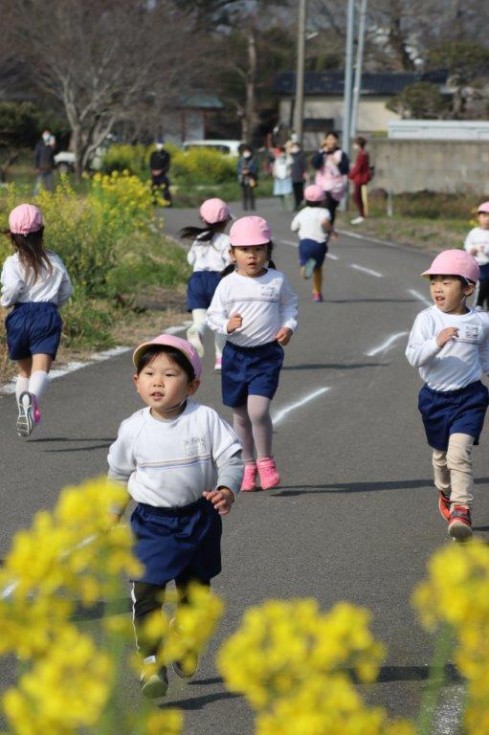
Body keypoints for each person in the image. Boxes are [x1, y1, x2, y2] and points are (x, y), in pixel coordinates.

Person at [107, 333, 243, 698]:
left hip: (199, 519)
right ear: (136, 382)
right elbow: (119, 475)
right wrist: (110, 513)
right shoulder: (133, 429)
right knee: (146, 594)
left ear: (193, 384)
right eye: (149, 374)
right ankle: (151, 664)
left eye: (170, 375)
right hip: (151, 524)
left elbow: (231, 458)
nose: (158, 382)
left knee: (195, 594)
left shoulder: (204, 419)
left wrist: (228, 488)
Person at [207, 216, 298, 492]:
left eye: (258, 249)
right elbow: (213, 316)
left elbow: (289, 307)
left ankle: (266, 462)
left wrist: (288, 327)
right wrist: (226, 325)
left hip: (266, 355)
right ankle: (247, 465)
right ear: (232, 254)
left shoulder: (277, 280)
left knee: (257, 411)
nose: (252, 256)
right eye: (245, 250)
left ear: (268, 252)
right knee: (240, 416)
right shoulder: (227, 284)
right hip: (235, 355)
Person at [405, 249, 489, 541]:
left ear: (468, 288)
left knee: (458, 454)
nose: (438, 288)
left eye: (446, 282)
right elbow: (414, 357)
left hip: (470, 398)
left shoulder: (481, 322)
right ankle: (445, 490)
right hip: (434, 400)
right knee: (441, 458)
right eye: (434, 282)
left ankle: (461, 507)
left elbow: (484, 353)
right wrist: (436, 343)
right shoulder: (427, 320)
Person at [1, 203, 73, 437]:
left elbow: (12, 287)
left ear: (12, 236)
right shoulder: (53, 260)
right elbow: (66, 289)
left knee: (24, 372)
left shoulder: (12, 262)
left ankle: (26, 411)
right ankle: (31, 401)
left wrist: (5, 302)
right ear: (41, 232)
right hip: (46, 315)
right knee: (41, 367)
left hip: (19, 315)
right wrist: (55, 304)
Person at [179, 198, 232, 370]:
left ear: (203, 220)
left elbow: (190, 259)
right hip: (217, 280)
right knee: (220, 323)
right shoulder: (226, 240)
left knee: (200, 319)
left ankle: (197, 331)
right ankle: (220, 359)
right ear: (225, 221)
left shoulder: (199, 239)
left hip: (196, 280)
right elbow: (230, 262)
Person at [290, 184, 332, 303]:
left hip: (305, 243)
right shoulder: (324, 212)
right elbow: (325, 222)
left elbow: (293, 227)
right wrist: (332, 231)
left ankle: (304, 268)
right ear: (323, 200)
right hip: (320, 244)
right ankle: (317, 294)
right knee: (318, 269)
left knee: (306, 264)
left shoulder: (302, 212)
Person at [311, 131, 349, 229]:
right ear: (325, 140)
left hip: (336, 186)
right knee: (325, 206)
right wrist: (323, 152)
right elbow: (315, 164)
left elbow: (345, 170)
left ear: (337, 141)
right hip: (322, 185)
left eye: (333, 139)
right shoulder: (320, 152)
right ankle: (322, 228)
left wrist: (338, 163)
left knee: (331, 208)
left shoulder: (341, 154)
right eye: (329, 139)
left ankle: (329, 227)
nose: (331, 141)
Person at [463, 200, 489, 311]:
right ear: (478, 217)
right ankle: (478, 304)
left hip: (487, 262)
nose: (487, 219)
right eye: (484, 216)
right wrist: (471, 249)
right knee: (482, 283)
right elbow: (467, 244)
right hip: (478, 264)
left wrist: (485, 249)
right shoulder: (474, 232)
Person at [348, 136, 371, 225]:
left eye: (355, 144)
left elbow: (358, 167)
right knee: (357, 196)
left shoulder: (362, 155)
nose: (354, 146)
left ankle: (362, 215)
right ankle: (361, 214)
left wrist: (350, 175)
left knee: (357, 196)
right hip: (360, 177)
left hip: (360, 178)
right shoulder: (363, 154)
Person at [149, 141, 172, 206]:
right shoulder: (153, 154)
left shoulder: (166, 154)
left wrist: (161, 171)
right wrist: (153, 171)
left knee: (165, 189)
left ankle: (168, 203)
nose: (159, 146)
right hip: (154, 174)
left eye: (160, 144)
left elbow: (167, 165)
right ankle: (153, 203)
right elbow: (150, 164)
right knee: (153, 189)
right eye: (158, 144)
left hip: (162, 175)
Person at [237, 145, 259, 211]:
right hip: (243, 178)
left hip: (251, 178)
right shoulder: (240, 160)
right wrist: (242, 171)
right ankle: (245, 207)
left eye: (247, 151)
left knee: (251, 192)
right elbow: (238, 168)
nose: (246, 153)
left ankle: (252, 206)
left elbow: (256, 168)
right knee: (244, 193)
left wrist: (250, 171)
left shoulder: (253, 159)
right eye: (245, 151)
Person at [33, 130, 55, 194]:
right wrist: (36, 167)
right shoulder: (39, 145)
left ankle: (49, 195)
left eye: (48, 134)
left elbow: (52, 157)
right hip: (41, 167)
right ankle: (35, 195)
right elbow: (36, 157)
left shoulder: (50, 146)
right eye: (45, 134)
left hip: (49, 168)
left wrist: (53, 167)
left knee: (49, 184)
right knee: (39, 183)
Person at [290, 141, 308, 211]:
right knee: (295, 191)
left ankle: (300, 203)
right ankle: (297, 204)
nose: (295, 148)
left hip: (300, 176)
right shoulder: (291, 155)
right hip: (293, 176)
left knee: (300, 191)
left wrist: (305, 173)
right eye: (294, 147)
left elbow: (305, 165)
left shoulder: (301, 155)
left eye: (296, 147)